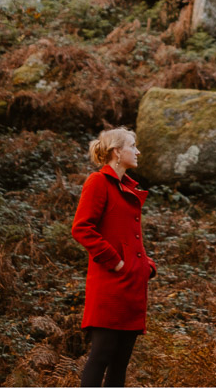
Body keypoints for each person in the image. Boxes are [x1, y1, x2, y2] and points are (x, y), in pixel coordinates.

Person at [71, 127, 154, 388]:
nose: (138, 151)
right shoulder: (98, 182)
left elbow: (128, 237)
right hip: (109, 283)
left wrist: (145, 266)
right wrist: (116, 261)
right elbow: (82, 228)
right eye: (133, 146)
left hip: (132, 284)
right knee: (101, 355)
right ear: (117, 152)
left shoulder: (126, 187)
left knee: (121, 362)